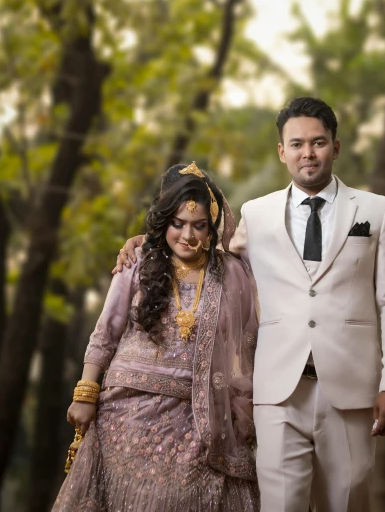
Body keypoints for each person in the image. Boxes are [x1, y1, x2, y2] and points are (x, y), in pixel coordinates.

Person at [116, 98, 385, 512]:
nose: (307, 153)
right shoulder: (257, 214)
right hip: (277, 392)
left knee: (347, 504)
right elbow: (198, 247)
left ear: (336, 147)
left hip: (351, 390)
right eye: (296, 144)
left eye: (318, 142)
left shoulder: (376, 211)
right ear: (282, 151)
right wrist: (144, 242)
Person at [53, 163, 259, 512]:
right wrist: (86, 393)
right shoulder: (137, 262)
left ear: (212, 228)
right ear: (165, 222)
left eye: (199, 226)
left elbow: (246, 345)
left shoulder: (233, 273)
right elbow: (106, 331)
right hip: (125, 417)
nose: (188, 236)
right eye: (178, 224)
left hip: (199, 422)